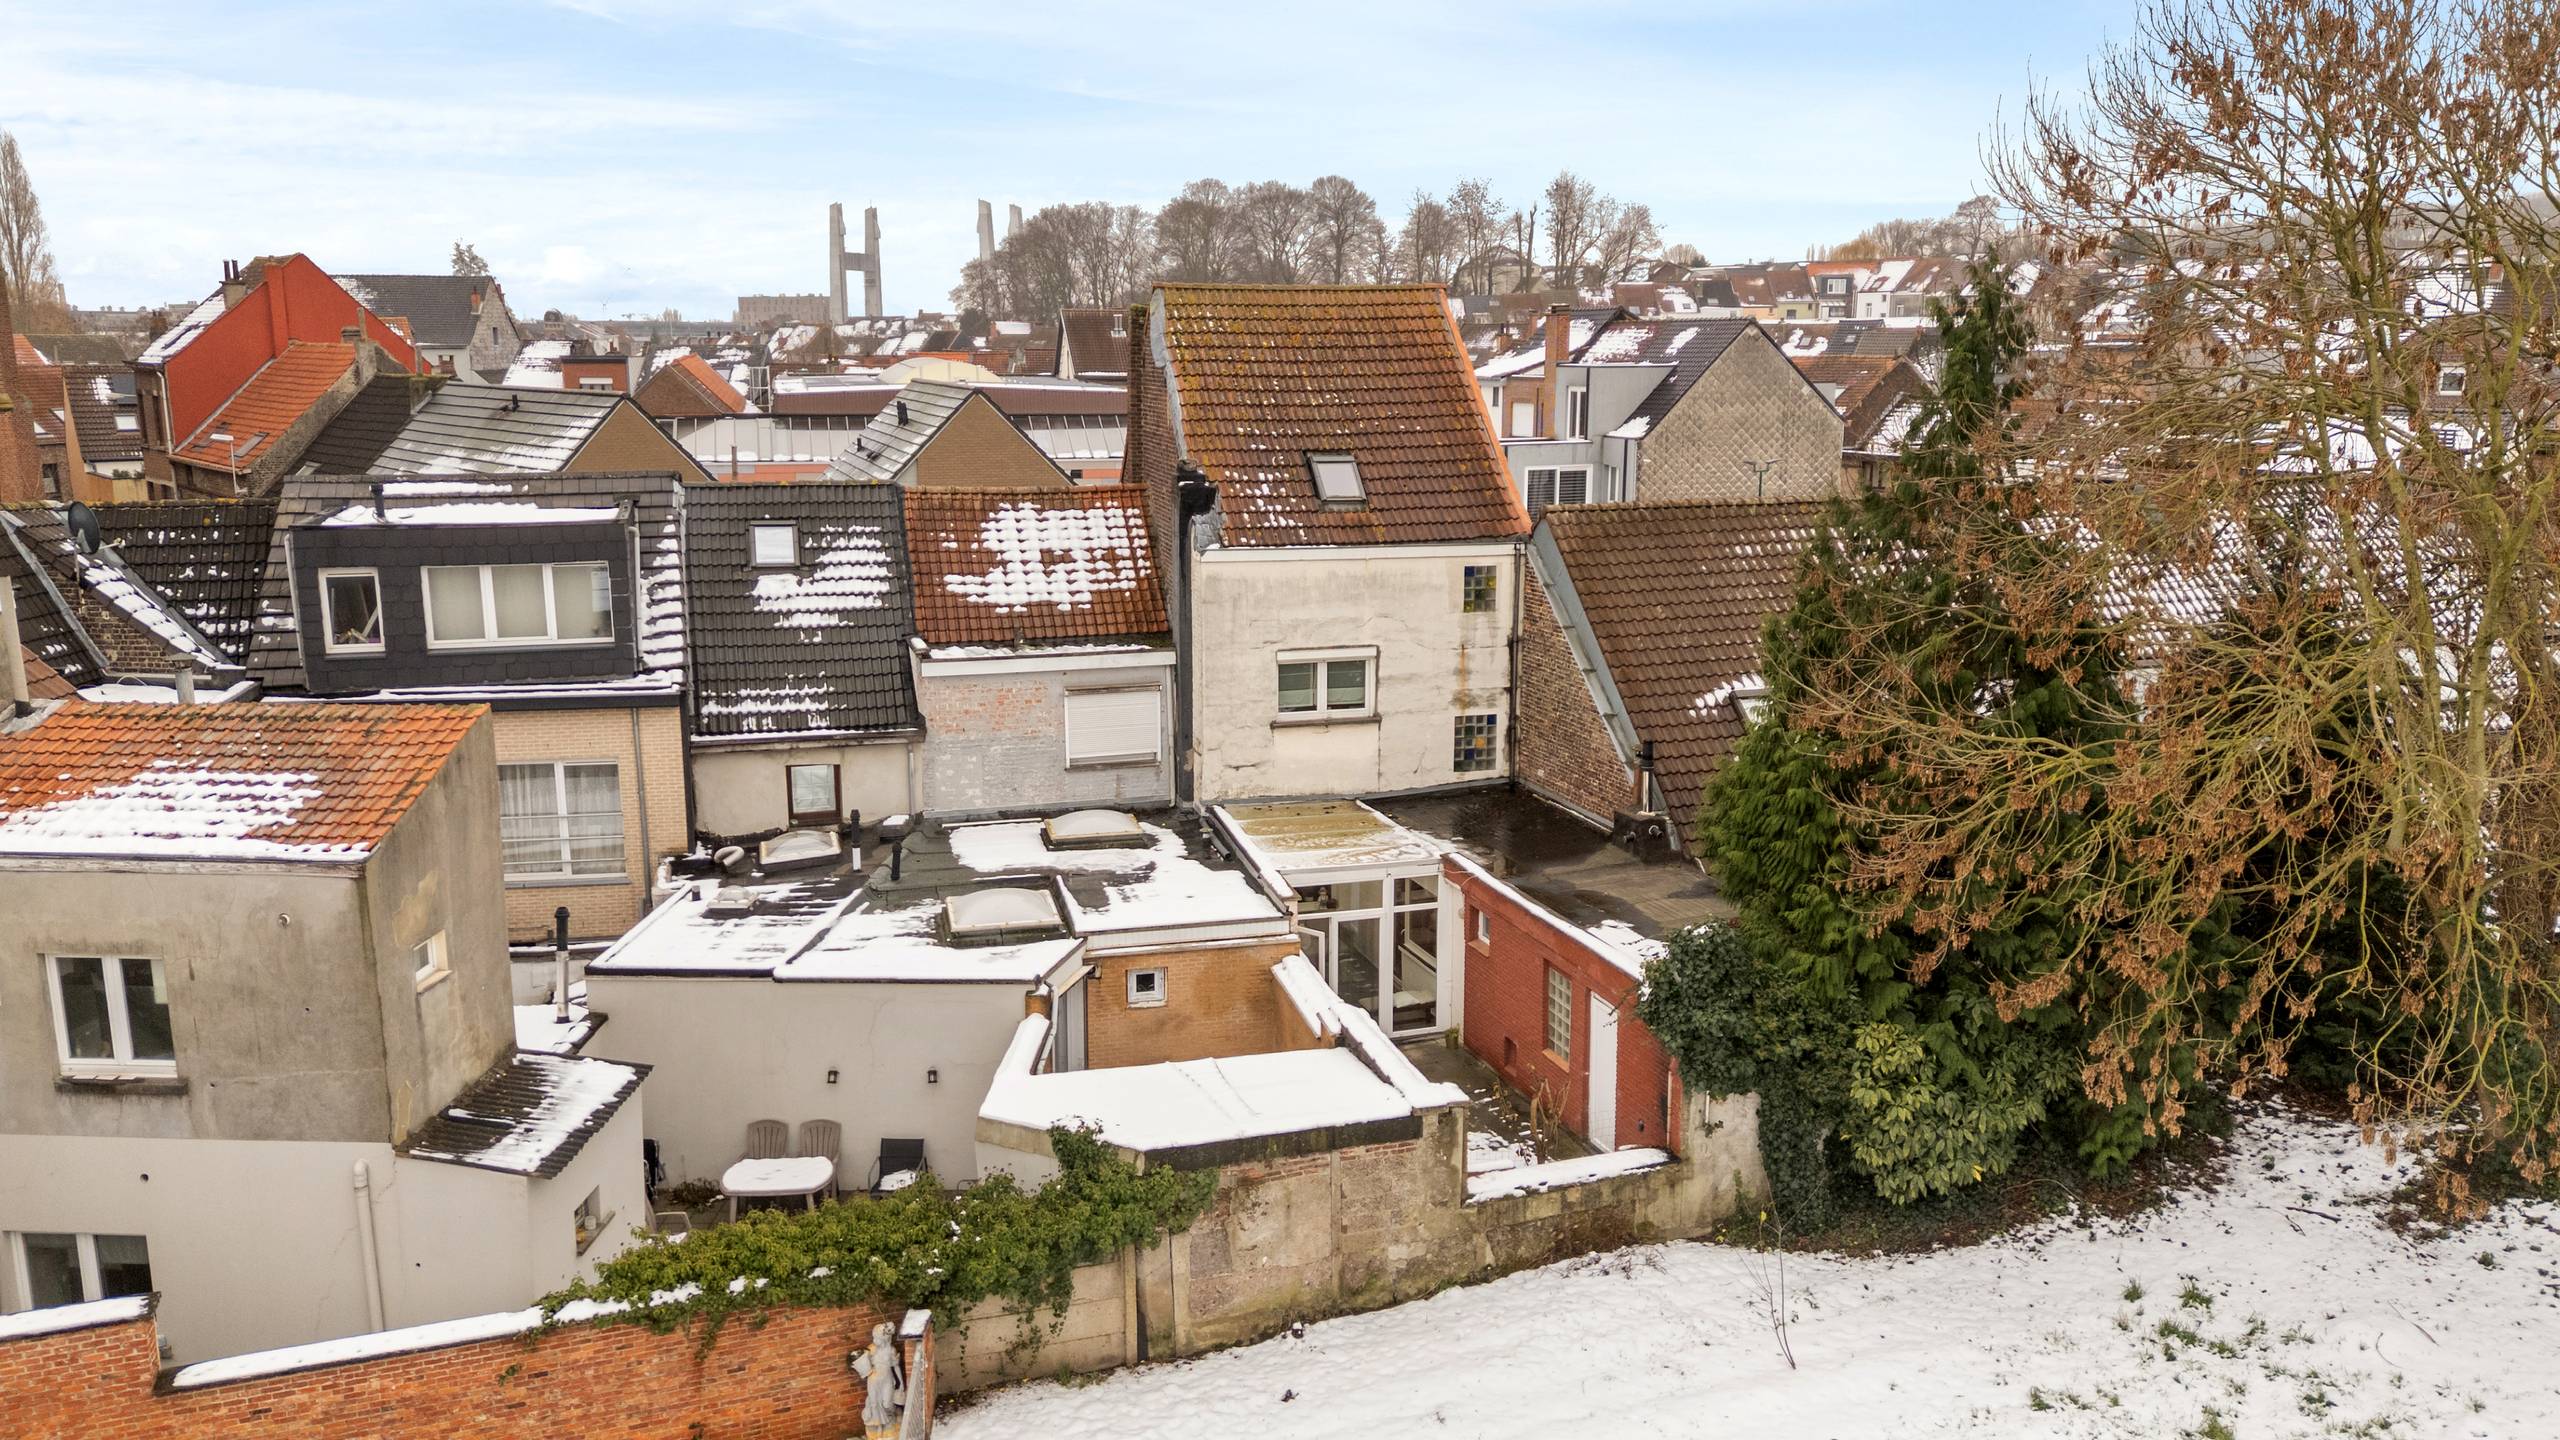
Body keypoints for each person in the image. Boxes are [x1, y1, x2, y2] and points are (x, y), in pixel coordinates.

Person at [852, 1321, 903, 1439]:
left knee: (886, 1403)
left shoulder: (891, 1350)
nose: (875, 1340)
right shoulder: (871, 1349)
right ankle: (879, 1425)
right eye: (874, 1337)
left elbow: (896, 1367)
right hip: (873, 1380)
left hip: (887, 1380)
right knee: (874, 1404)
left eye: (877, 1338)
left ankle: (891, 1417)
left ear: (885, 1338)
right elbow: (863, 1363)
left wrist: (901, 1384)